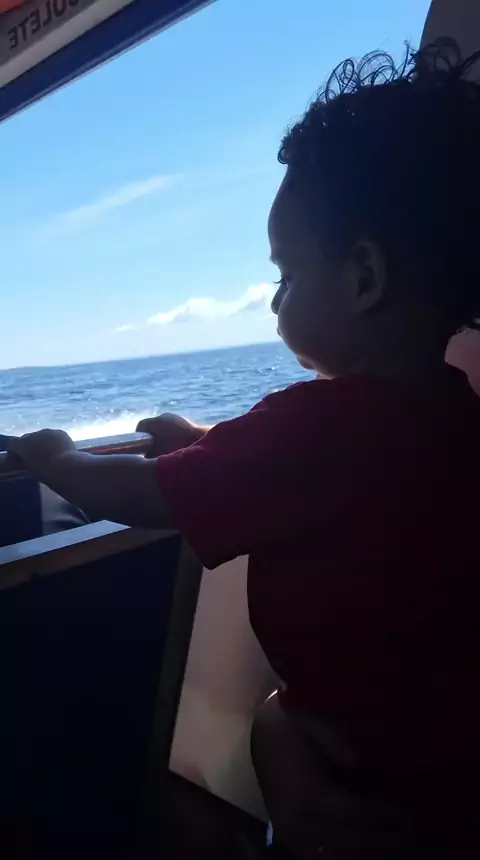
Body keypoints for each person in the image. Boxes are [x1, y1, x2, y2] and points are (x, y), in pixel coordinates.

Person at [5, 38, 480, 857]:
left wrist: (56, 458)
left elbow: (145, 497)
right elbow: (301, 473)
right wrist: (202, 442)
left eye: (285, 277)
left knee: (281, 747)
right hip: (445, 751)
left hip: (361, 757)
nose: (272, 302)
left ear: (364, 278)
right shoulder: (452, 415)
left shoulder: (316, 425)